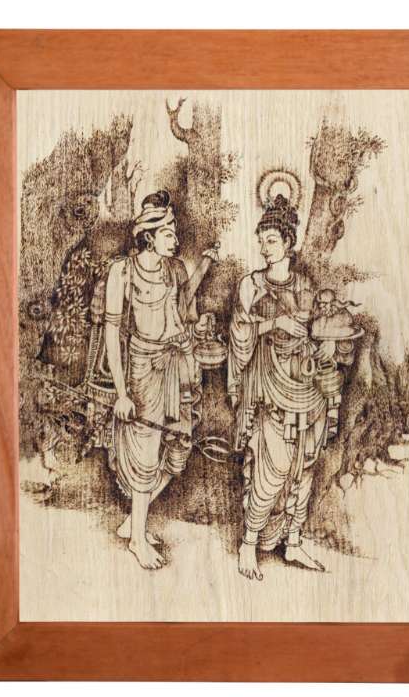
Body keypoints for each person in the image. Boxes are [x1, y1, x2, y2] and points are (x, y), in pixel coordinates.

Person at [103, 191, 218, 569]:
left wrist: (203, 267)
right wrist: (122, 393)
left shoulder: (176, 269)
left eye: (175, 231)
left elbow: (183, 309)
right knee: (147, 451)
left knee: (179, 446)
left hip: (178, 363)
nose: (175, 239)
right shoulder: (122, 272)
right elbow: (112, 333)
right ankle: (138, 538)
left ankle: (133, 520)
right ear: (149, 236)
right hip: (144, 366)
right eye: (168, 232)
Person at [227, 194, 334, 580]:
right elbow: (239, 332)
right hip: (269, 385)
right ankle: (249, 543)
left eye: (271, 240)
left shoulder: (306, 285)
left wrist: (325, 342)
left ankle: (293, 540)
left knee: (304, 465)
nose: (264, 247)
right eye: (262, 240)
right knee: (273, 468)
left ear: (289, 242)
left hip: (306, 386)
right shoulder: (251, 285)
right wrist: (275, 324)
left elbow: (319, 329)